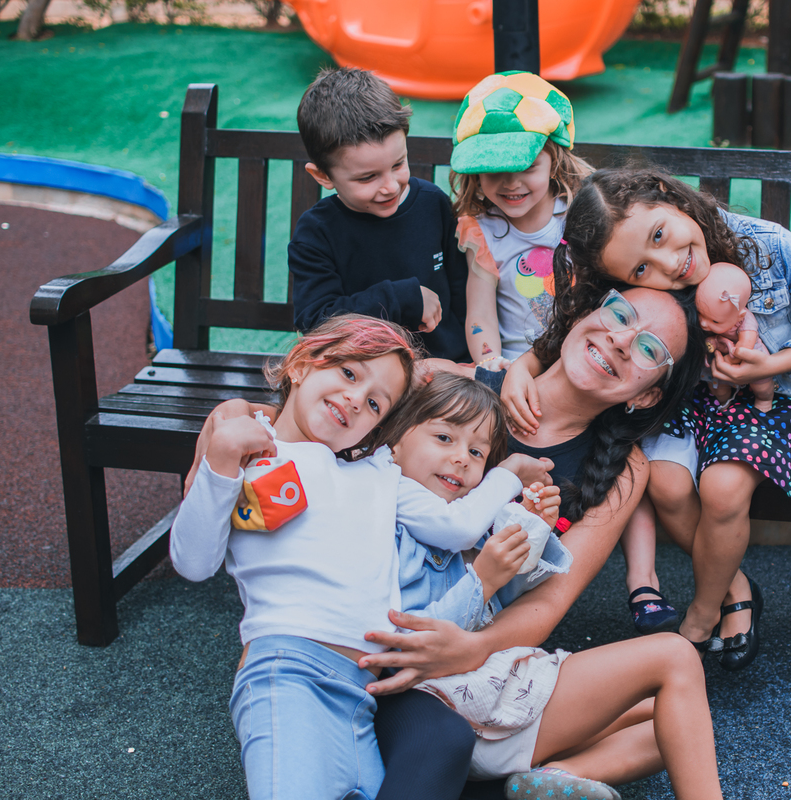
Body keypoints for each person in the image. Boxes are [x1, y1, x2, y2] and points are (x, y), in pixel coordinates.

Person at [184, 287, 705, 800]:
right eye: (620, 314)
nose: (621, 340)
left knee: (666, 712)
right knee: (440, 738)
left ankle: (549, 780)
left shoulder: (621, 468)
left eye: (649, 349)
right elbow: (325, 411)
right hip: (360, 654)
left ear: (648, 394)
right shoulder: (437, 386)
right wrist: (234, 417)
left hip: (469, 644)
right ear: (584, 312)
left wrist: (482, 625)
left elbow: (546, 599)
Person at [170, 314, 551, 800]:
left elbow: (456, 527)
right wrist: (221, 459)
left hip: (363, 694)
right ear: (304, 364)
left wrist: (511, 470)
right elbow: (192, 562)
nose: (355, 398)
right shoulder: (252, 450)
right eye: (348, 373)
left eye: (375, 403)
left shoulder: (378, 470)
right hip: (289, 673)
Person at [504, 167, 791, 671]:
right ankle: (735, 582)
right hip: (698, 403)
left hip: (781, 397)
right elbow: (581, 320)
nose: (669, 265)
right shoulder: (640, 277)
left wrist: (772, 364)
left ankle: (703, 609)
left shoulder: (768, 246)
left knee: (721, 488)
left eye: (658, 236)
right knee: (665, 482)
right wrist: (524, 364)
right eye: (642, 272)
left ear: (667, 195)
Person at [378, 374, 722, 800]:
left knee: (669, 719)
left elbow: (506, 600)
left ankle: (551, 778)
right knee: (674, 657)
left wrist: (532, 528)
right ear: (393, 445)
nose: (461, 459)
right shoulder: (389, 521)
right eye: (444, 437)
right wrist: (483, 580)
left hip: (498, 687)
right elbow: (404, 638)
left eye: (476, 451)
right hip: (454, 704)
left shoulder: (473, 519)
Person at [289, 67, 470, 361]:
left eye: (398, 165)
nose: (390, 187)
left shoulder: (432, 204)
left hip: (444, 372)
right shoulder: (317, 232)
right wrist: (403, 299)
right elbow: (316, 322)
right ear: (323, 176)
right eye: (367, 177)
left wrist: (469, 362)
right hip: (363, 378)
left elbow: (463, 291)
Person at [449, 71, 592, 369]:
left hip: (579, 361)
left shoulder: (580, 214)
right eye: (494, 169)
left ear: (554, 160)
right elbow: (481, 314)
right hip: (513, 367)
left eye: (527, 166)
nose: (511, 184)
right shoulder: (481, 230)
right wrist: (490, 362)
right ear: (476, 172)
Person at [694, 261, 775, 414]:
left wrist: (731, 360)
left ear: (740, 316)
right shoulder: (713, 318)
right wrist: (710, 343)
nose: (704, 323)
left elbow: (745, 346)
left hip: (749, 360)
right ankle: (724, 402)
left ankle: (764, 400)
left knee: (762, 385)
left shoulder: (745, 321)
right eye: (701, 314)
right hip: (720, 357)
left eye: (714, 321)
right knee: (717, 385)